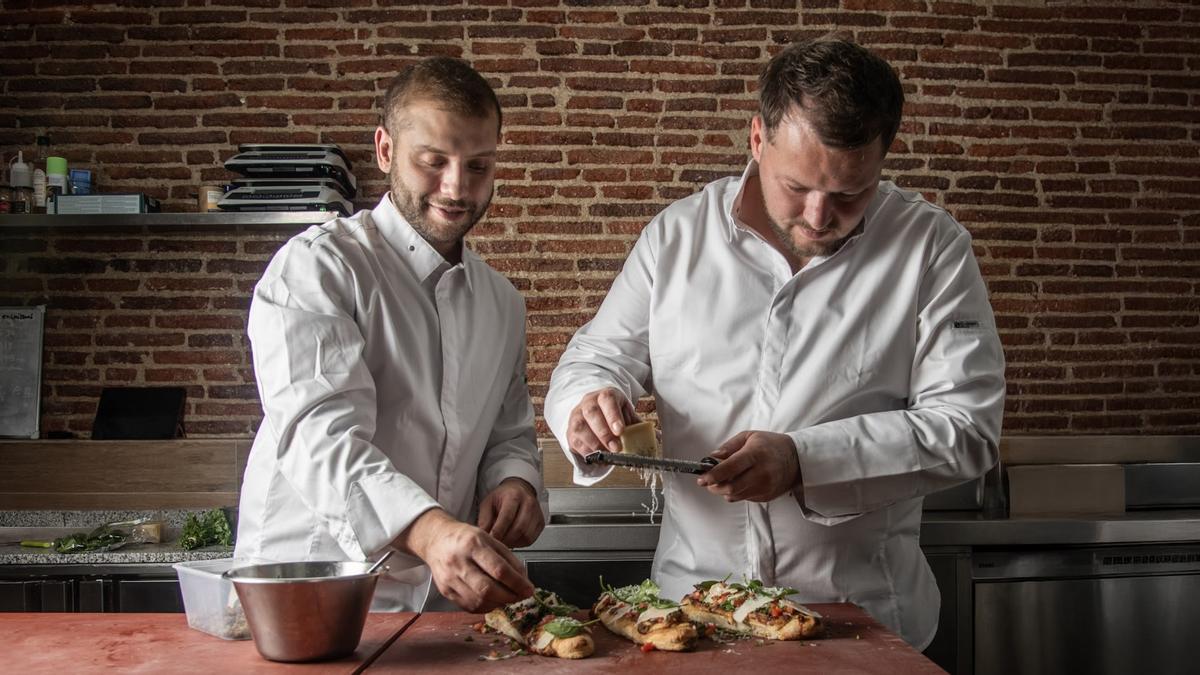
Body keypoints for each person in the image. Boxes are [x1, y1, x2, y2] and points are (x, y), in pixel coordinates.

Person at [544, 38, 1005, 649]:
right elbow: (597, 356)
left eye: (849, 194)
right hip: (690, 616)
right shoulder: (676, 237)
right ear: (757, 138)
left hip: (862, 622)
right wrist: (588, 400)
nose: (819, 216)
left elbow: (967, 430)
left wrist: (805, 460)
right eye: (797, 186)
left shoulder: (932, 249)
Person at [236, 56, 545, 613]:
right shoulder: (318, 269)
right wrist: (429, 534)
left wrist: (514, 482)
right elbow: (322, 439)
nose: (457, 188)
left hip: (438, 605)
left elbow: (508, 432)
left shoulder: (502, 302)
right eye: (433, 161)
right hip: (311, 595)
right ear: (385, 150)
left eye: (479, 166)